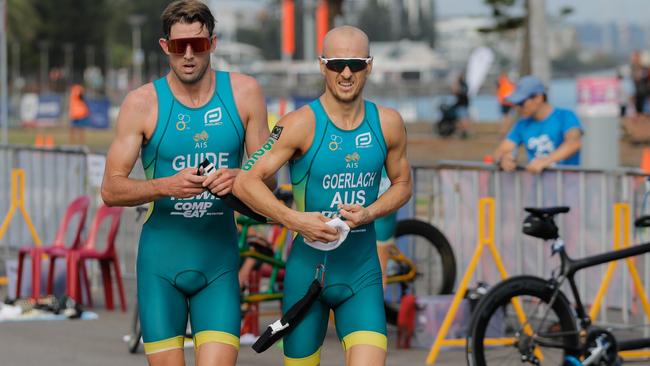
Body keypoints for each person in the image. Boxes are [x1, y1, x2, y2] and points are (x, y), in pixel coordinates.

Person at [100, 1, 272, 365]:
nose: (189, 55)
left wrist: (241, 178)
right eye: (180, 46)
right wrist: (166, 186)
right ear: (165, 47)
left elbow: (267, 182)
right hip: (160, 265)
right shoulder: (142, 103)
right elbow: (111, 189)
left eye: (199, 44)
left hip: (219, 263)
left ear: (213, 43)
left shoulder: (245, 93)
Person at [233, 26, 412, 366]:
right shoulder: (299, 123)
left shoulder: (388, 122)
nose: (346, 73)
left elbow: (403, 183)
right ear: (322, 65)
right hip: (307, 275)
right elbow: (246, 181)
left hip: (361, 273)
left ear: (369, 66)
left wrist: (370, 212)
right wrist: (295, 220)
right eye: (337, 64)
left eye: (356, 64)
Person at [493, 75, 583, 174]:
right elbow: (501, 150)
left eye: (521, 103)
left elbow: (574, 143)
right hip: (538, 188)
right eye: (516, 104)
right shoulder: (522, 124)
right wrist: (503, 159)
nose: (518, 108)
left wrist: (546, 161)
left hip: (568, 187)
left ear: (538, 98)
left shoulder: (566, 116)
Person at [496, 71, 516, 137]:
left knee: (506, 118)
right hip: (507, 102)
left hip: (507, 102)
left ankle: (504, 132)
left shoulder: (505, 82)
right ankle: (504, 132)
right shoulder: (507, 83)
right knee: (507, 118)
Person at [452, 72, 471, 138]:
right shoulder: (465, 84)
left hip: (461, 104)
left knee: (463, 119)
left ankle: (464, 132)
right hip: (463, 104)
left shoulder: (461, 84)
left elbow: (455, 91)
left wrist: (455, 84)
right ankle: (463, 132)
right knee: (463, 119)